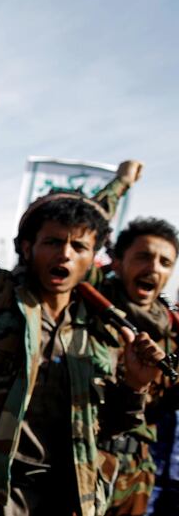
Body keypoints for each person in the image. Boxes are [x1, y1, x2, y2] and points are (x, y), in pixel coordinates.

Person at [0, 82, 165, 516]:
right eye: (53, 242)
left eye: (79, 247)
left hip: (66, 494)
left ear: (93, 258)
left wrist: (135, 386)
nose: (65, 254)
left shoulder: (106, 325)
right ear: (28, 248)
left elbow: (109, 427)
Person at [95, 218, 179, 516]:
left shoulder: (171, 335)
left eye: (165, 262)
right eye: (143, 256)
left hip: (136, 478)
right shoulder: (86, 313)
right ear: (117, 262)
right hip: (81, 467)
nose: (154, 268)